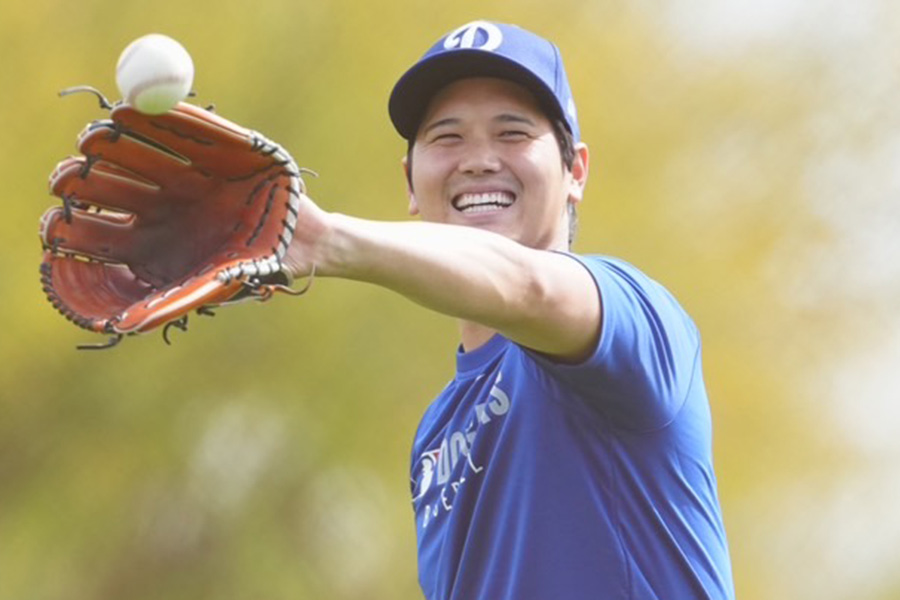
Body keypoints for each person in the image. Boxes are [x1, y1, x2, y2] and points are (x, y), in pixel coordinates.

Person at [284, 20, 735, 600]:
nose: (477, 161)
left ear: (576, 172)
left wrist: (327, 241)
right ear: (410, 183)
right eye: (447, 138)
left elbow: (531, 291)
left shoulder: (634, 315)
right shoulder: (436, 433)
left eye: (512, 133)